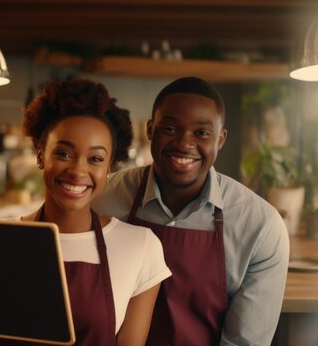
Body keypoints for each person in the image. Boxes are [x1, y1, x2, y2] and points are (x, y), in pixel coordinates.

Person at [0, 78, 172, 346]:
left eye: (95, 158)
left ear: (109, 168)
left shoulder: (141, 247)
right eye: (63, 153)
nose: (78, 171)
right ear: (40, 155)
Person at [92, 76, 290, 346]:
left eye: (201, 133)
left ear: (221, 139)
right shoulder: (102, 199)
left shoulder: (260, 227)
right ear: (150, 130)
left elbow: (243, 342)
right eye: (170, 129)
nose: (184, 143)